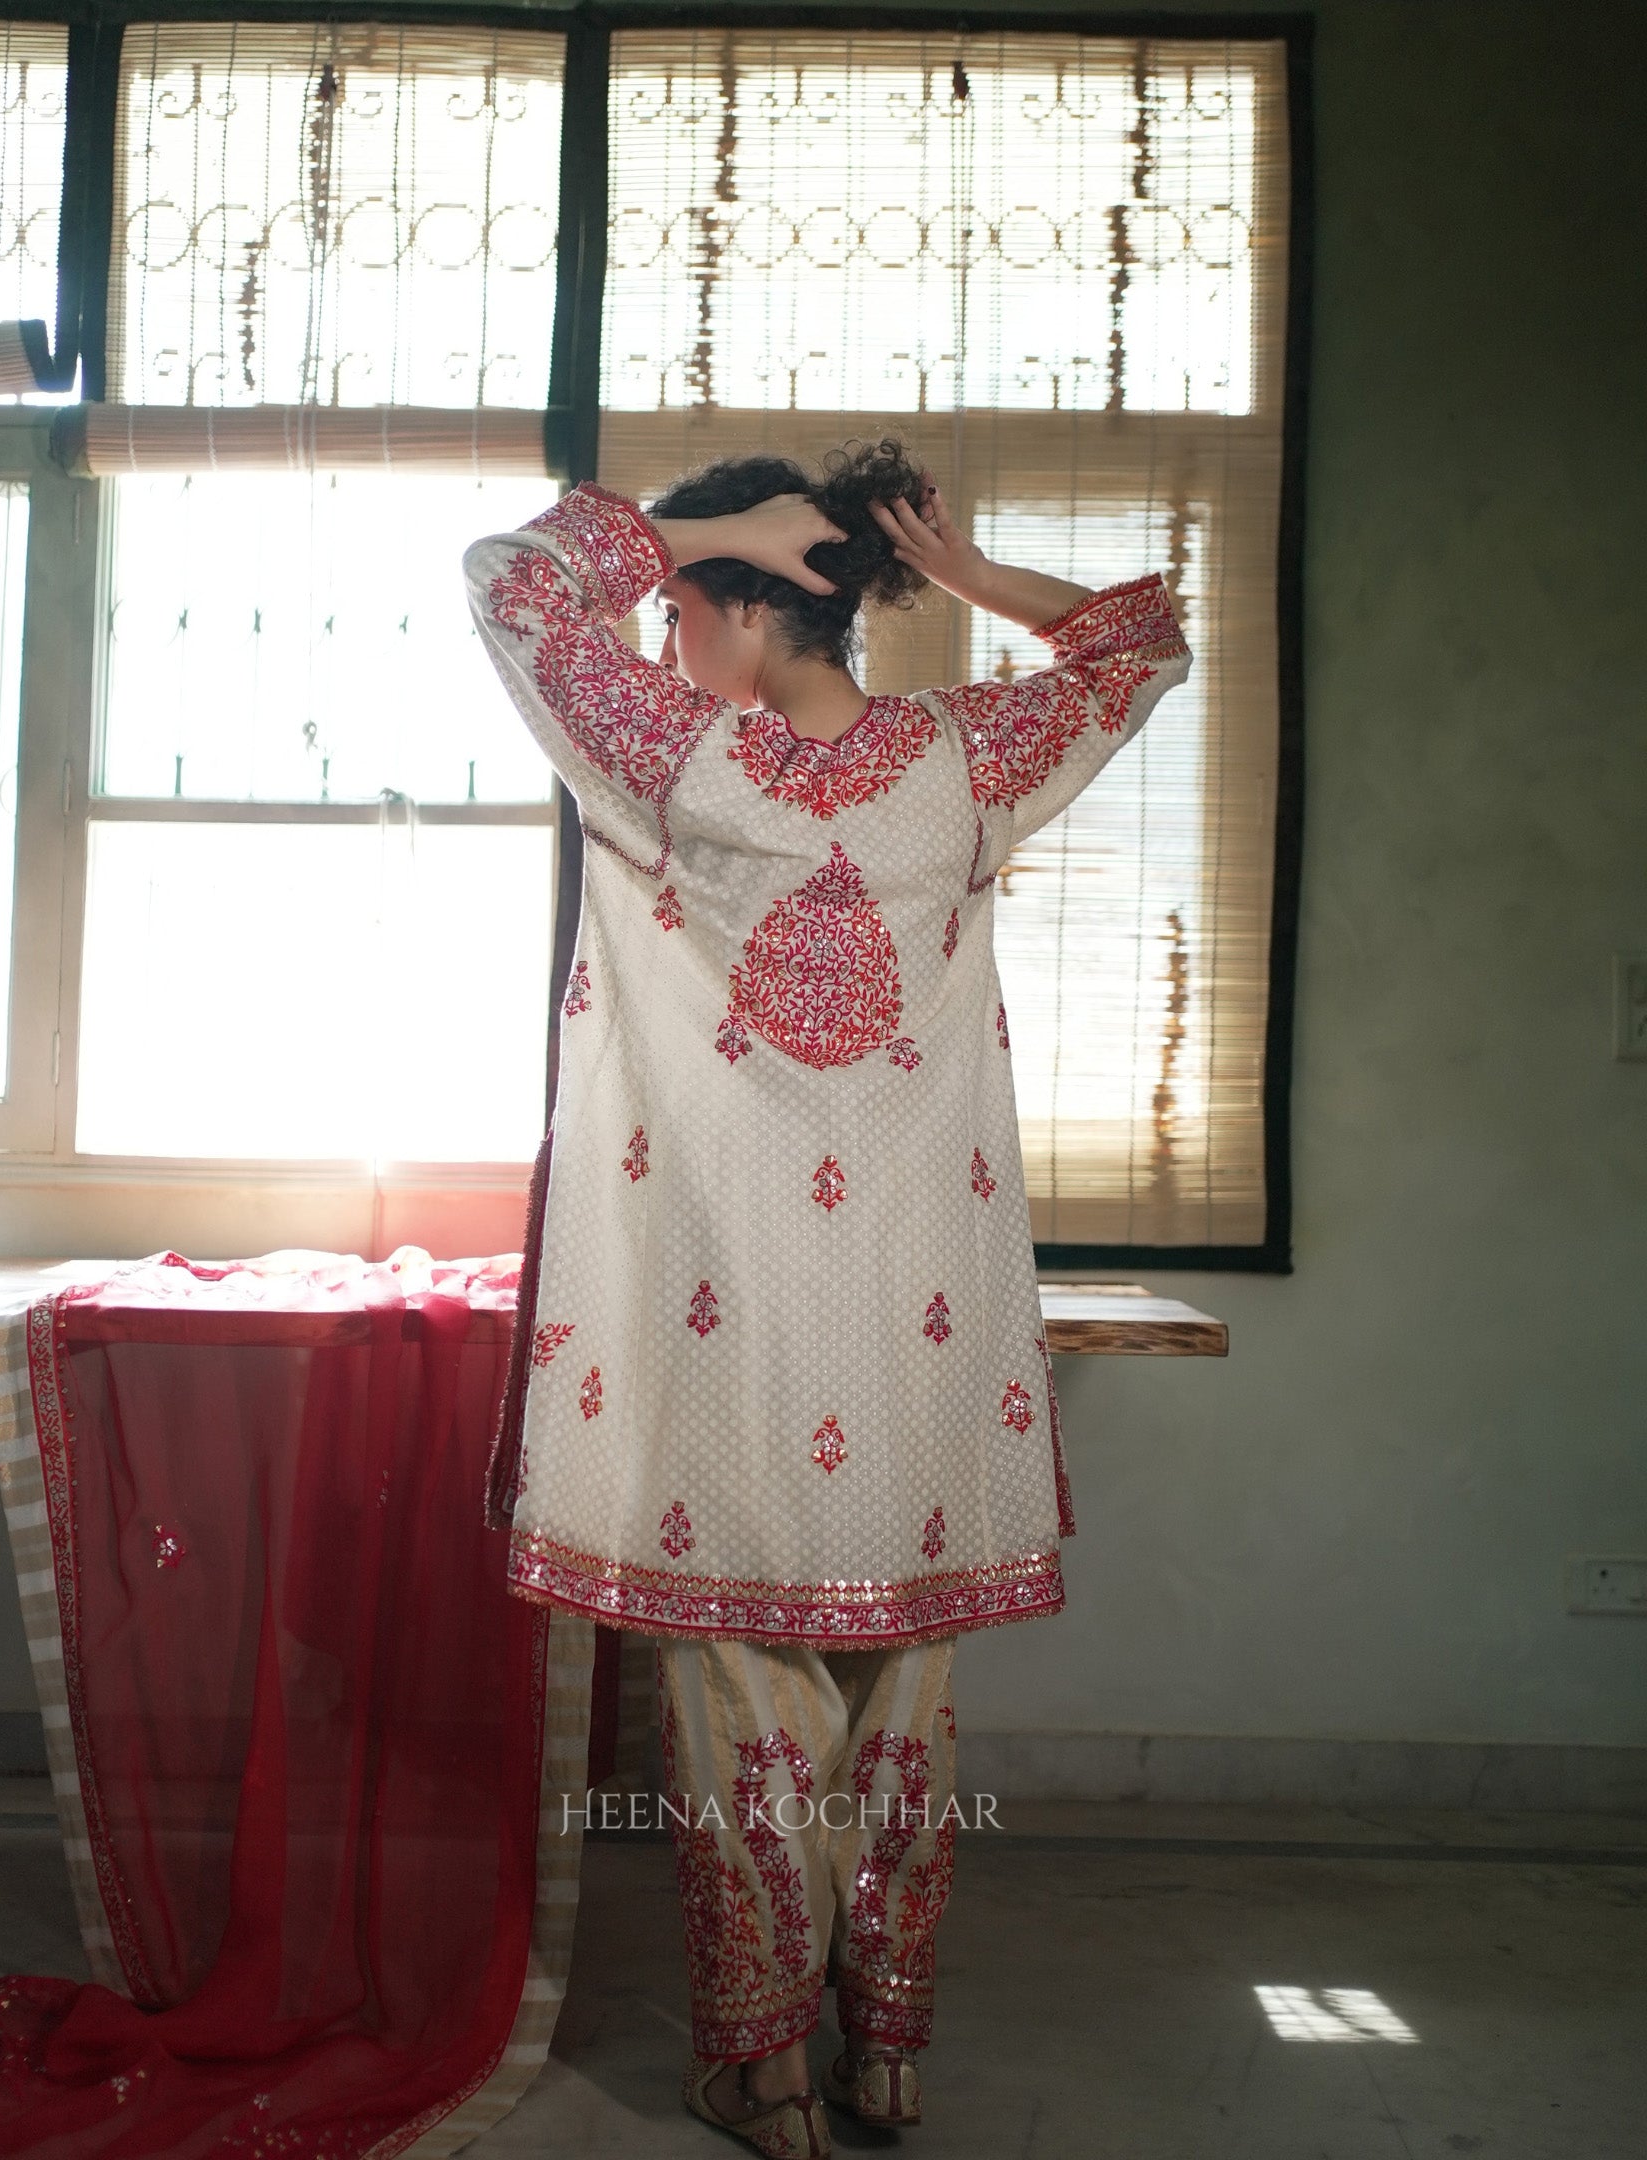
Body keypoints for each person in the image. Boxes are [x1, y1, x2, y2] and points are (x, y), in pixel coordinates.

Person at [464, 443, 1190, 2157]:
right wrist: (969, 576)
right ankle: (891, 2057)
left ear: (733, 603)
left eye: (681, 608)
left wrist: (707, 526)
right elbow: (1142, 643)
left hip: (722, 1322)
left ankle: (765, 2066)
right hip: (920, 1332)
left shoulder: (673, 756)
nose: (667, 636)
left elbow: (510, 579)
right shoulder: (965, 764)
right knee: (902, 1703)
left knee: (740, 1698)